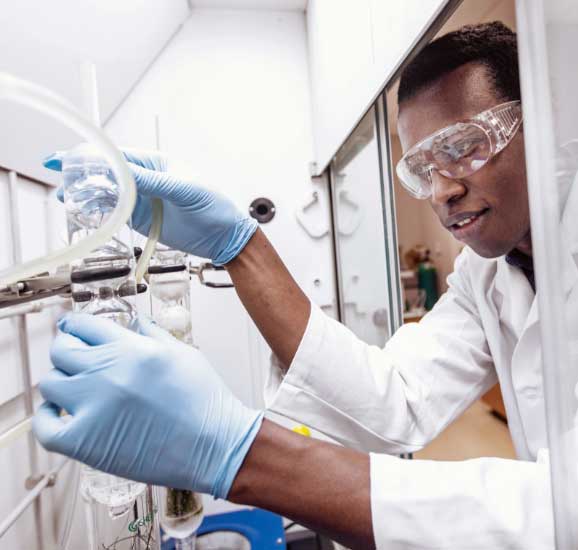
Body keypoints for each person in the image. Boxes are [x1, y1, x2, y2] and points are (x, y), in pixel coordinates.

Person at [33, 22, 568, 549]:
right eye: (422, 168)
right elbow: (395, 399)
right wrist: (239, 247)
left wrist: (238, 455)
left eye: (461, 148)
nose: (442, 191)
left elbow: (558, 512)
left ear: (546, 121)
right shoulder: (487, 275)